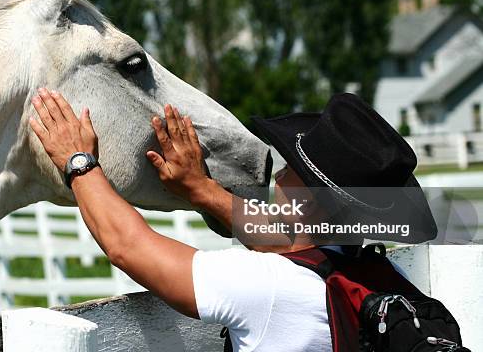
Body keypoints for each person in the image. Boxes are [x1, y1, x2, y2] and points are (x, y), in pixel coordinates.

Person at [29, 89, 437, 352]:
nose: (278, 175)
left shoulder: (267, 286)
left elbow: (128, 246)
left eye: (291, 169)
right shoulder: (381, 274)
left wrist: (78, 162)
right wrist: (203, 190)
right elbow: (292, 245)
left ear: (310, 205)